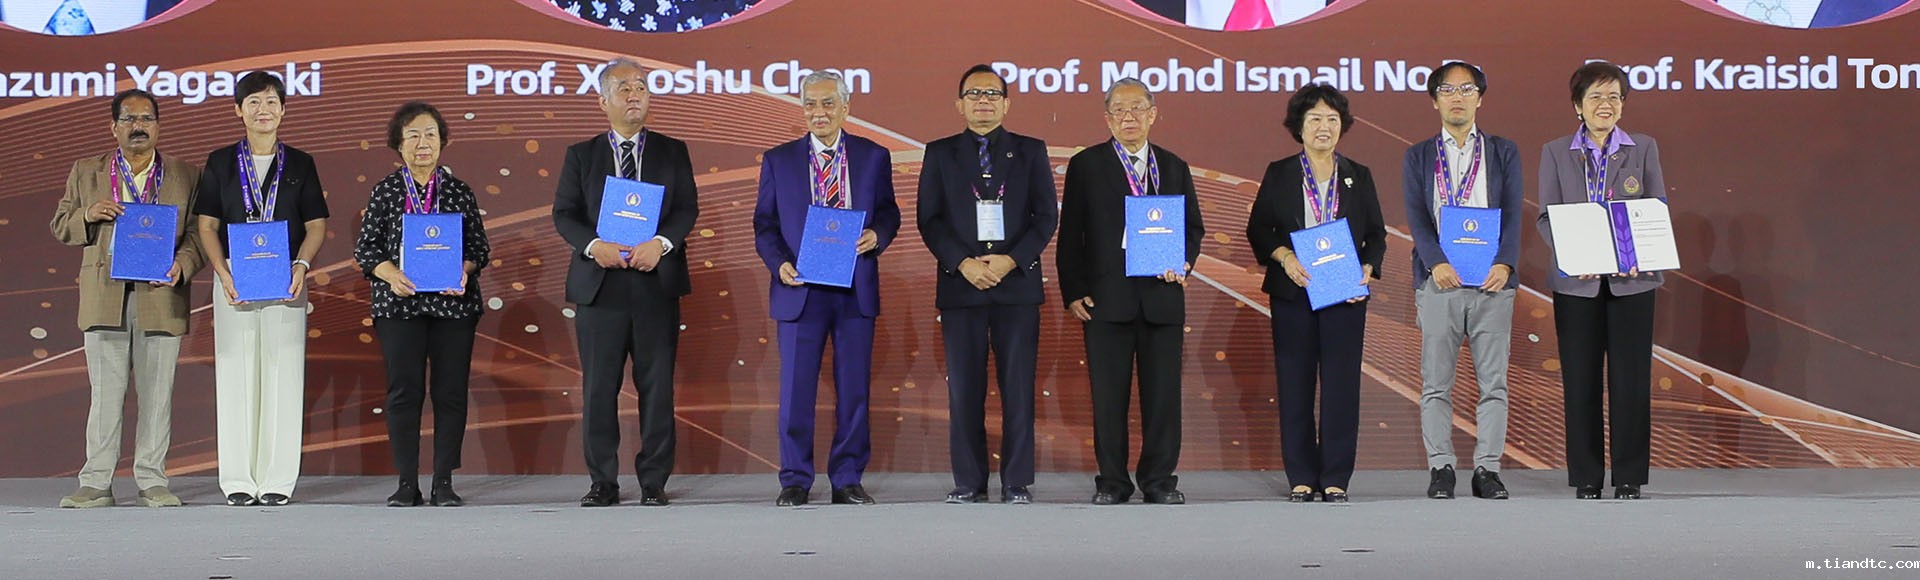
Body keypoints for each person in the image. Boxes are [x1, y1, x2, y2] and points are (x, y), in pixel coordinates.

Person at [552, 57, 700, 507]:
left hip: (656, 282)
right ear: (603, 101)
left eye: (641, 86)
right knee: (599, 388)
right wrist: (594, 246)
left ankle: (654, 480)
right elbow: (564, 213)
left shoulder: (673, 151)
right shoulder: (582, 154)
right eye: (624, 88)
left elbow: (686, 209)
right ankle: (603, 481)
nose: (635, 95)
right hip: (601, 286)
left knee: (657, 388)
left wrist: (662, 243)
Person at [753, 70, 900, 507]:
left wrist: (878, 235)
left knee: (853, 389)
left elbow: (889, 212)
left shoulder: (873, 156)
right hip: (800, 287)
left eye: (828, 103)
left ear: (845, 107)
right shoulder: (778, 160)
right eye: (810, 104)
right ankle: (795, 479)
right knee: (796, 390)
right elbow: (764, 224)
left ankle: (847, 478)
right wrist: (779, 263)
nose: (819, 112)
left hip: (855, 284)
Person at [49, 89, 202, 508]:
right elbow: (60, 225)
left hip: (161, 294)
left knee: (158, 394)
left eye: (147, 119)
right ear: (113, 127)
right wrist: (87, 215)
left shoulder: (186, 174)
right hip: (105, 296)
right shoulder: (87, 171)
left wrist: (183, 264)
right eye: (129, 119)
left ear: (159, 126)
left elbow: (199, 233)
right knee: (105, 395)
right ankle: (96, 481)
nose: (138, 126)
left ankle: (152, 480)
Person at [1057, 78, 1204, 506]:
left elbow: (1192, 228)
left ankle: (1159, 481)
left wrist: (1184, 261)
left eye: (1137, 108)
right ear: (1107, 119)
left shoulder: (1173, 166)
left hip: (1162, 297)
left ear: (1153, 114)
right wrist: (1073, 290)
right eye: (1119, 110)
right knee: (1108, 399)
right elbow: (1071, 233)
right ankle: (1112, 482)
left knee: (1163, 399)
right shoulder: (1086, 165)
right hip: (1106, 299)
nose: (1129, 117)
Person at [916, 64, 1057, 505]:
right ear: (959, 104)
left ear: (1006, 104)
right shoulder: (940, 153)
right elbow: (929, 219)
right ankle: (969, 482)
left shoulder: (1030, 151)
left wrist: (1011, 260)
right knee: (964, 390)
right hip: (962, 286)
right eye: (974, 94)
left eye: (992, 94)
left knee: (1018, 388)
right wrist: (963, 264)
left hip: (1016, 286)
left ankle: (1016, 482)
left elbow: (1045, 217)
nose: (983, 101)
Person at [192, 71, 329, 507]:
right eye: (253, 102)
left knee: (282, 372)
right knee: (235, 373)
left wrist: (302, 265)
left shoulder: (301, 163)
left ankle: (276, 480)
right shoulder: (219, 162)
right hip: (234, 275)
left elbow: (316, 225)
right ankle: (237, 478)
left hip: (286, 274)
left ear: (283, 110)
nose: (263, 110)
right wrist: (221, 271)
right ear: (238, 110)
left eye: (271, 101)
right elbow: (207, 225)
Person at [1246, 83, 1385, 503]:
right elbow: (1259, 228)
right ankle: (1302, 476)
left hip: (1344, 293)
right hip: (1295, 290)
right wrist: (1285, 257)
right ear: (1299, 127)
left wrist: (1367, 268)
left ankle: (1336, 475)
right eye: (1314, 119)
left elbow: (1376, 235)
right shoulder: (1280, 172)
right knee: (1295, 384)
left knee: (1342, 386)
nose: (1324, 127)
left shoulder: (1358, 175)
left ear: (1342, 126)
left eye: (1332, 119)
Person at [1536, 61, 1667, 500]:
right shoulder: (1556, 152)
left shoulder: (1642, 148)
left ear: (1623, 104)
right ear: (1578, 105)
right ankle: (1587, 476)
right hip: (1577, 284)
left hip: (1633, 282)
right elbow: (1546, 217)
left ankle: (1629, 476)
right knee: (1581, 381)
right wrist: (1575, 256)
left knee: (1631, 381)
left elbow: (1655, 208)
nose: (1605, 104)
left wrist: (1639, 255)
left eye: (1614, 96)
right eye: (1595, 97)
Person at [353, 101, 491, 507]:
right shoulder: (385, 191)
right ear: (399, 144)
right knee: (404, 392)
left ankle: (444, 480)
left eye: (430, 134)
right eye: (412, 134)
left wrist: (463, 271)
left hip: (453, 308)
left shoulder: (459, 191)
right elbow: (366, 250)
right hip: (400, 306)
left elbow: (478, 248)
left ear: (442, 141)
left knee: (450, 393)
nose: (422, 142)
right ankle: (407, 481)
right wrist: (391, 275)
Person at [1399, 61, 1522, 500]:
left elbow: (1513, 212)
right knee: (1436, 384)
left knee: (1494, 384)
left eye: (1466, 89)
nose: (1457, 97)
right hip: (1440, 281)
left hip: (1492, 281)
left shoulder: (1503, 151)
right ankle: (1441, 468)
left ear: (1479, 98)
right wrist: (1435, 262)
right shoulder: (1418, 156)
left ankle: (1488, 469)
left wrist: (1505, 263)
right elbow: (1416, 216)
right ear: (1434, 100)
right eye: (1448, 90)